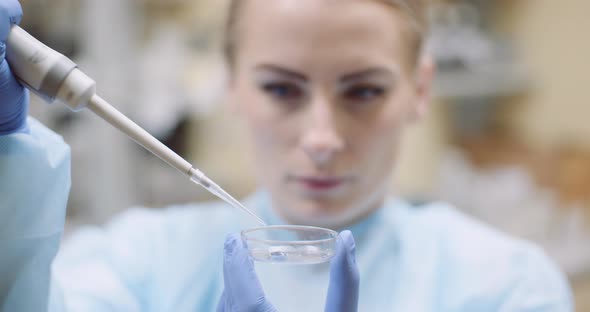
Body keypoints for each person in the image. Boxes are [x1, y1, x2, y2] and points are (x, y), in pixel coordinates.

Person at [0, 0, 573, 311]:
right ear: (231, 84)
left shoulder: (506, 287)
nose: (321, 138)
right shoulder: (140, 262)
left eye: (364, 91)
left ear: (419, 90)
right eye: (281, 89)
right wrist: (6, 153)